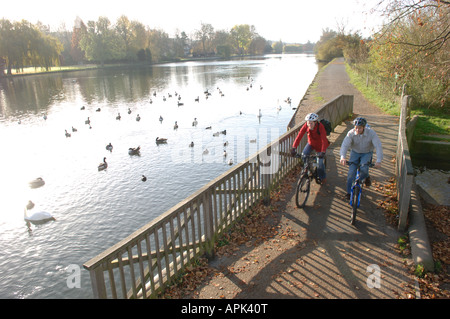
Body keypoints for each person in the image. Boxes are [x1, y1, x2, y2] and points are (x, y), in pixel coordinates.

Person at [339, 117, 383, 199]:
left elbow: (378, 146)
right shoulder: (351, 133)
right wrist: (343, 157)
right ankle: (349, 192)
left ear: (364, 127)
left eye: (360, 128)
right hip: (355, 152)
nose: (357, 130)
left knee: (364, 169)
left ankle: (364, 178)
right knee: (350, 174)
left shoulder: (371, 133)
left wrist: (379, 160)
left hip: (367, 152)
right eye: (356, 128)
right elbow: (345, 145)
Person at [291, 113, 330, 184]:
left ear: (315, 122)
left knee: (320, 164)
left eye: (311, 123)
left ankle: (323, 177)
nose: (309, 125)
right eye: (308, 123)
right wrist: (294, 147)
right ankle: (308, 170)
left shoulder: (320, 127)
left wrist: (323, 151)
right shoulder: (306, 125)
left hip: (320, 146)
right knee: (304, 155)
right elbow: (299, 136)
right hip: (311, 144)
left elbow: (324, 140)